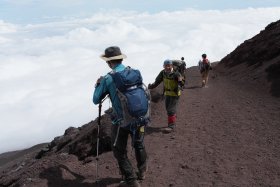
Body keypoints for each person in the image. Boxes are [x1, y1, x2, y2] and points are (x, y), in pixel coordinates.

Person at [93, 46, 147, 187]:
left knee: (118, 150)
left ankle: (131, 180)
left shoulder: (108, 78)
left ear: (108, 62)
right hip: (140, 117)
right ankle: (142, 172)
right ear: (121, 59)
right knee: (139, 145)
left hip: (121, 121)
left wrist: (98, 85)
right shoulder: (134, 72)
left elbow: (96, 99)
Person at [148, 59, 184, 133]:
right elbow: (157, 81)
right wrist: (151, 86)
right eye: (166, 66)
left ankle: (171, 126)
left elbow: (182, 82)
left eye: (169, 66)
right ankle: (173, 117)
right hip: (167, 93)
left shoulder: (176, 73)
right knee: (168, 109)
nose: (167, 67)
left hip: (175, 94)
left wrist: (180, 83)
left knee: (171, 110)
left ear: (171, 66)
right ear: (163, 66)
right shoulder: (163, 73)